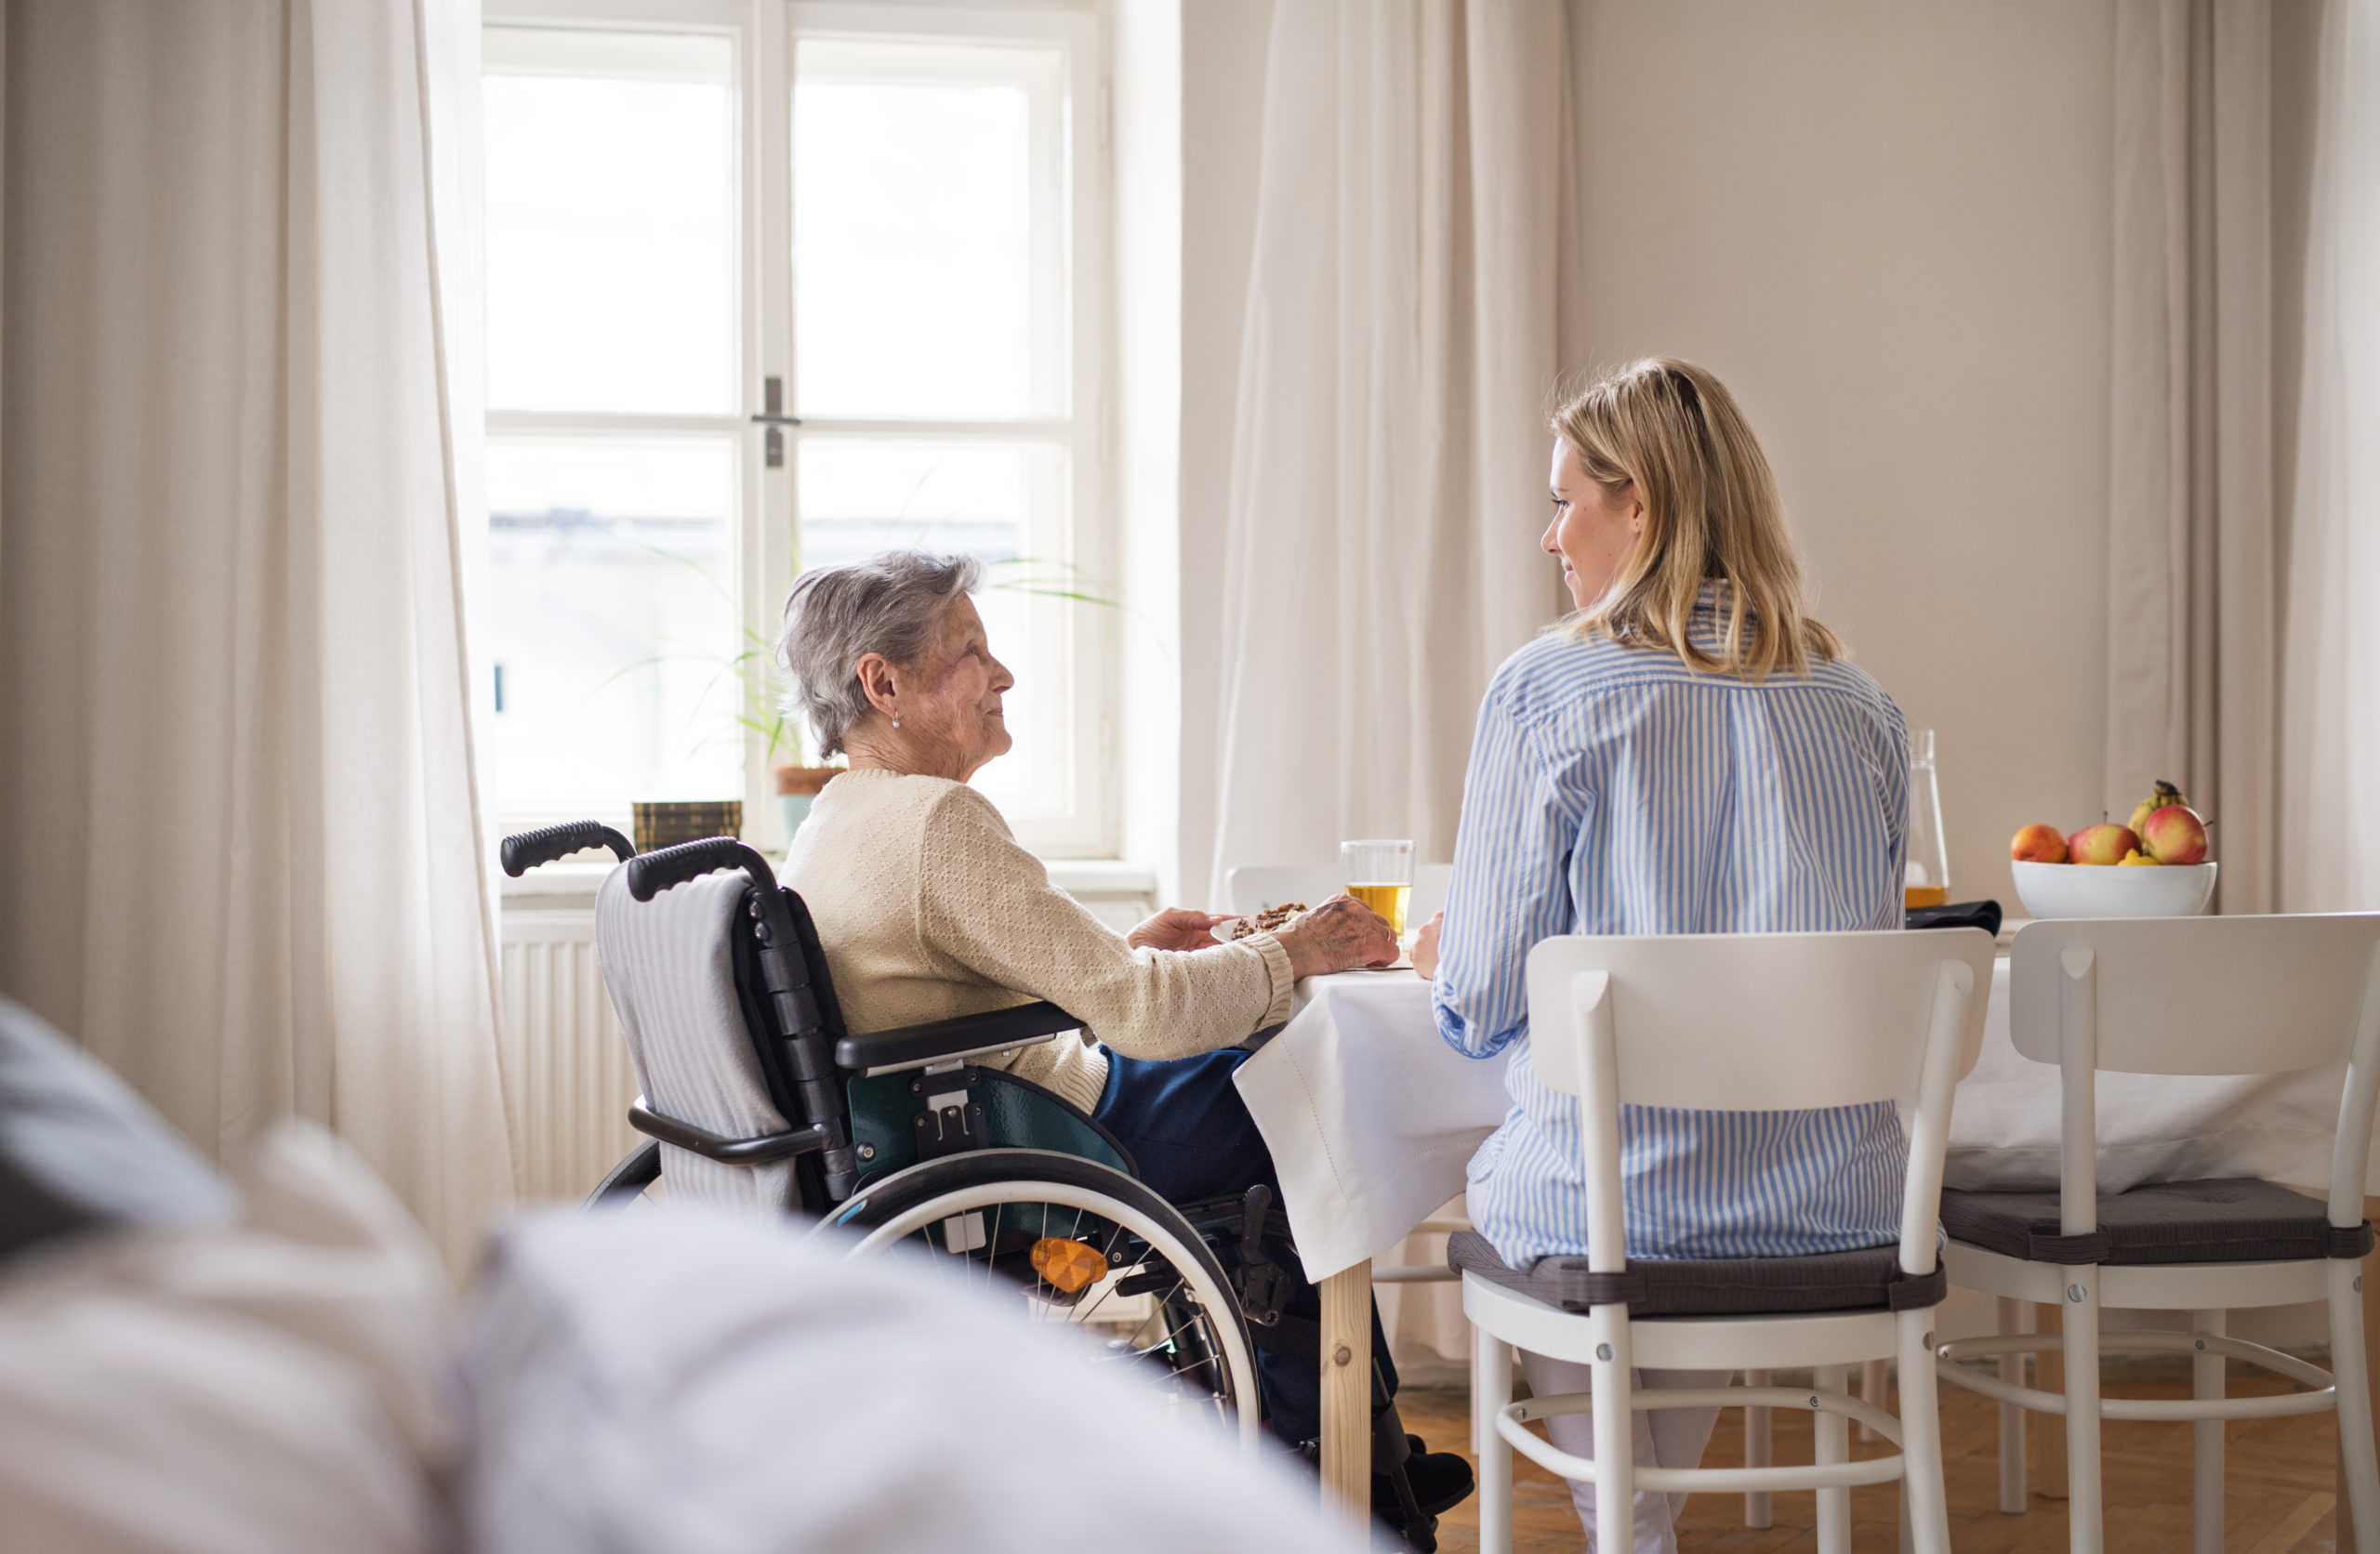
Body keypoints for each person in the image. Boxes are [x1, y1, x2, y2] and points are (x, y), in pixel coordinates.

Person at [772, 550, 1472, 1531]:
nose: (1002, 673)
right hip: (1043, 1139)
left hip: (978, 1117)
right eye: (971, 651)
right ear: (881, 683)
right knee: (1308, 1096)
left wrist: (1135, 953)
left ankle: (1358, 1448)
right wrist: (1295, 949)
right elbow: (1143, 1012)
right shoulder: (937, 821)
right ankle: (1347, 1475)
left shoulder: (840, 819)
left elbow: (967, 980)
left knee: (1268, 1080)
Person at [1413, 358, 1911, 1554]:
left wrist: (1457, 951)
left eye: (1565, 501)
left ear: (1639, 507)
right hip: (1840, 1208)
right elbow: (1867, 980)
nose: (1548, 536)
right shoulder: (1863, 706)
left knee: (1574, 1184)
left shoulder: (1548, 689)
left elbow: (1478, 1004)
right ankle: (1636, 1518)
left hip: (1620, 1215)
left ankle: (1628, 1524)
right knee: (1652, 1183)